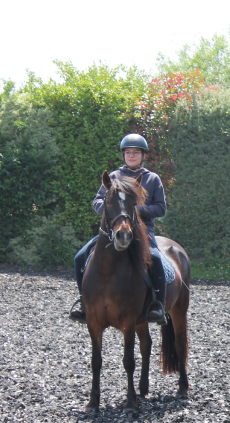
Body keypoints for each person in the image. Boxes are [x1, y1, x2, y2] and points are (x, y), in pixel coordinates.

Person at [69, 134, 168, 324]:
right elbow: (97, 200)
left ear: (143, 155)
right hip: (112, 230)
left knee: (155, 258)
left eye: (136, 152)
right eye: (128, 152)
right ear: (123, 154)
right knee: (80, 256)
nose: (131, 156)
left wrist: (136, 209)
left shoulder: (152, 179)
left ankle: (158, 305)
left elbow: (161, 208)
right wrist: (107, 209)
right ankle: (84, 302)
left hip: (142, 230)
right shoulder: (113, 177)